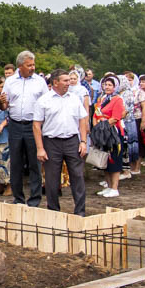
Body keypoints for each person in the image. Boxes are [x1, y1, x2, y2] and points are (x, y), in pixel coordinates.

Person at [33, 68, 89, 215]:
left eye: (69, 80)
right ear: (55, 82)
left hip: (72, 141)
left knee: (77, 176)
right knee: (52, 179)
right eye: (65, 80)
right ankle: (54, 212)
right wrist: (40, 148)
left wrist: (83, 141)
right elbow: (36, 125)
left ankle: (80, 213)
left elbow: (82, 119)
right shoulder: (44, 100)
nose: (68, 83)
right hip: (51, 142)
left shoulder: (74, 98)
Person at [0, 50, 47, 207]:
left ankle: (34, 200)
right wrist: (1, 101)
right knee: (16, 163)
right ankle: (18, 199)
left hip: (33, 126)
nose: (32, 67)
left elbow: (46, 103)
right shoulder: (10, 81)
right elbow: (3, 106)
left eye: (33, 64)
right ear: (20, 66)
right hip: (15, 125)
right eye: (29, 65)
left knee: (35, 163)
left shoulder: (40, 81)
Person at [94, 76, 125, 198]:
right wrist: (96, 127)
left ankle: (115, 187)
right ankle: (108, 185)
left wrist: (103, 126)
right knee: (104, 160)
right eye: (105, 84)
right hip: (101, 132)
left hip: (113, 133)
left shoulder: (117, 99)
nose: (107, 87)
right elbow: (96, 114)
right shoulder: (101, 98)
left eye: (110, 85)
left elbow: (116, 117)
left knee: (114, 159)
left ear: (115, 87)